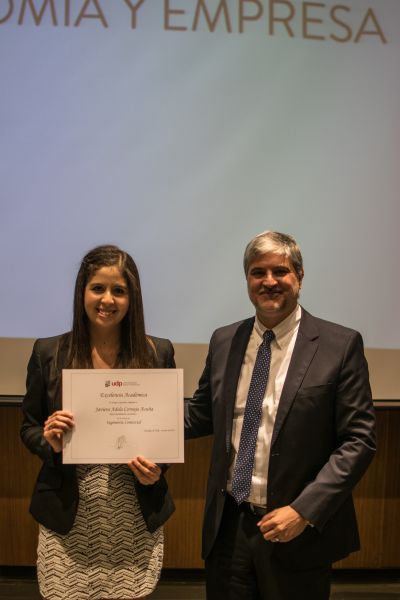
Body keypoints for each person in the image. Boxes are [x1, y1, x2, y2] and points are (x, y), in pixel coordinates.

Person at [185, 230, 376, 600]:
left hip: (295, 531)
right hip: (229, 528)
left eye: (280, 271)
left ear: (299, 277)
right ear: (247, 280)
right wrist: (136, 424)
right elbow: (201, 415)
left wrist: (304, 511)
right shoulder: (224, 340)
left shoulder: (339, 345)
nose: (269, 281)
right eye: (258, 272)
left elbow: (359, 440)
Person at [21, 245, 175, 600]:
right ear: (82, 292)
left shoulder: (157, 353)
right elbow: (28, 427)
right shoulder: (48, 353)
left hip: (133, 511)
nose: (108, 300)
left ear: (132, 298)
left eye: (119, 290)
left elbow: (166, 432)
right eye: (98, 288)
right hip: (68, 515)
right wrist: (49, 441)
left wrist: (157, 468)